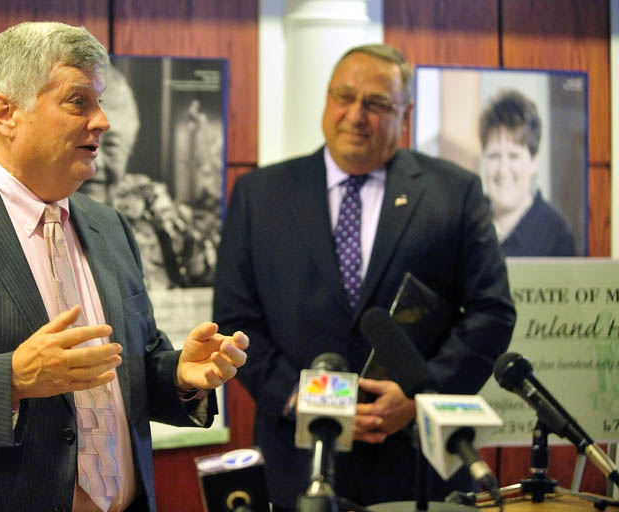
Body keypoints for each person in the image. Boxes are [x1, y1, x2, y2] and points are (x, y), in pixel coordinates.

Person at [0, 21, 248, 512]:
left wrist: (180, 377)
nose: (102, 121)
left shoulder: (109, 226)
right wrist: (13, 379)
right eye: (79, 102)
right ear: (7, 113)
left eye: (99, 103)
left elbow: (133, 362)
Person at [213, 43, 515, 509]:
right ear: (327, 101)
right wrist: (310, 400)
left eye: (376, 104)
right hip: (298, 460)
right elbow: (236, 319)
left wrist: (421, 393)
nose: (356, 115)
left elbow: (491, 313)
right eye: (344, 97)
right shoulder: (260, 194)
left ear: (405, 114)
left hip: (415, 462)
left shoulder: (453, 194)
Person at [79, 65, 220, 290]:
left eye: (113, 145)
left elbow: (208, 270)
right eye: (86, 143)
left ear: (130, 146)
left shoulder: (149, 199)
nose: (98, 159)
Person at [478, 89, 576, 256]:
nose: (503, 169)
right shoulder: (469, 224)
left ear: (534, 163)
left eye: (514, 156)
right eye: (494, 156)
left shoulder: (557, 235)